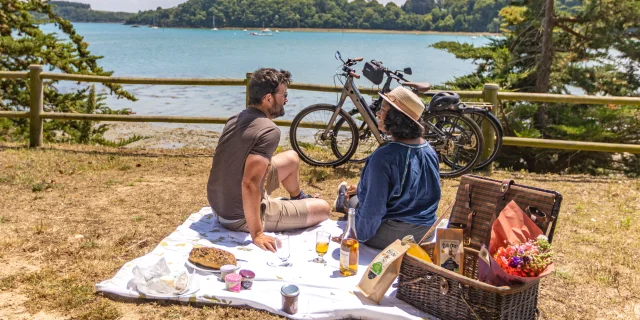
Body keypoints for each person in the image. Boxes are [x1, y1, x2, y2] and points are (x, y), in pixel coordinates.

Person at [207, 68, 330, 252]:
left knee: (292, 158)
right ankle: (291, 207)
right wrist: (257, 234)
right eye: (284, 95)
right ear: (268, 98)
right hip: (238, 216)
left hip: (219, 206)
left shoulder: (234, 118)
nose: (286, 100)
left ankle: (298, 198)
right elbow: (249, 183)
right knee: (324, 208)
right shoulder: (269, 130)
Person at [334, 86, 441, 250]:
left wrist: (353, 235)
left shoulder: (384, 156)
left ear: (396, 118)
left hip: (396, 237)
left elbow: (372, 211)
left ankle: (344, 200)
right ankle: (349, 197)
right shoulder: (429, 150)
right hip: (427, 233)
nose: (378, 114)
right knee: (358, 196)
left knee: (355, 202)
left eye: (383, 110)